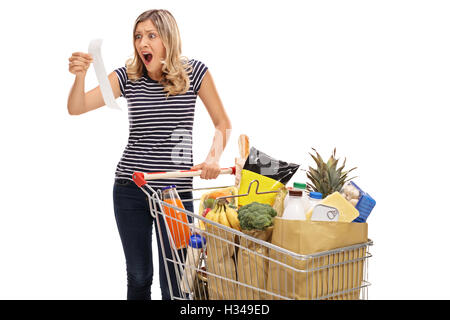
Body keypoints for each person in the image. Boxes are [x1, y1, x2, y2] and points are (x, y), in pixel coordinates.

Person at [67, 9, 232, 300]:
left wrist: (213, 158)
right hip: (131, 189)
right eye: (138, 36)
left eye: (151, 35)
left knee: (176, 284)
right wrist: (79, 77)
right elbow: (77, 106)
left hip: (175, 194)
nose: (143, 43)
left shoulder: (195, 73)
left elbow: (222, 123)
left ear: (168, 39)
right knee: (139, 277)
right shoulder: (127, 77)